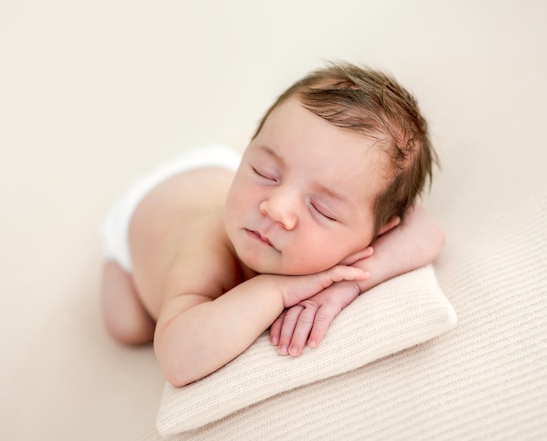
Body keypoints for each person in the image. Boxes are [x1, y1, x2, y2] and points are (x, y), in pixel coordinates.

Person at [101, 62, 445, 387]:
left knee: (291, 168)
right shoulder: (206, 252)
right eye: (264, 172)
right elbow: (178, 359)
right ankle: (114, 257)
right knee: (129, 325)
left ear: (379, 230)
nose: (277, 208)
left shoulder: (358, 225)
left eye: (322, 209)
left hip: (212, 180)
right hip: (147, 211)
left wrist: (349, 286)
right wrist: (276, 290)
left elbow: (427, 231)